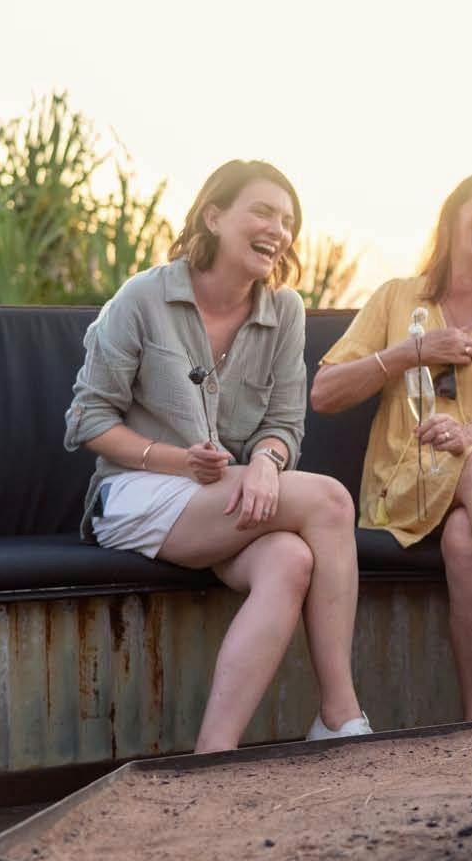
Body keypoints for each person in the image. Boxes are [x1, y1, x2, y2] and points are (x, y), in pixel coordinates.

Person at [65, 159, 369, 753]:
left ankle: (214, 756)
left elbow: (283, 425)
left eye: (287, 220)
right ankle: (340, 712)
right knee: (331, 501)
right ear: (214, 215)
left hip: (224, 496)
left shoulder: (285, 311)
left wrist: (263, 463)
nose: (278, 230)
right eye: (262, 211)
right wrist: (178, 461)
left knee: (288, 560)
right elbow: (88, 420)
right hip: (135, 491)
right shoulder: (144, 296)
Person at [310, 174, 472, 721]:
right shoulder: (399, 297)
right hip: (406, 478)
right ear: (450, 223)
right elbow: (325, 392)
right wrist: (412, 351)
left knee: (466, 539)